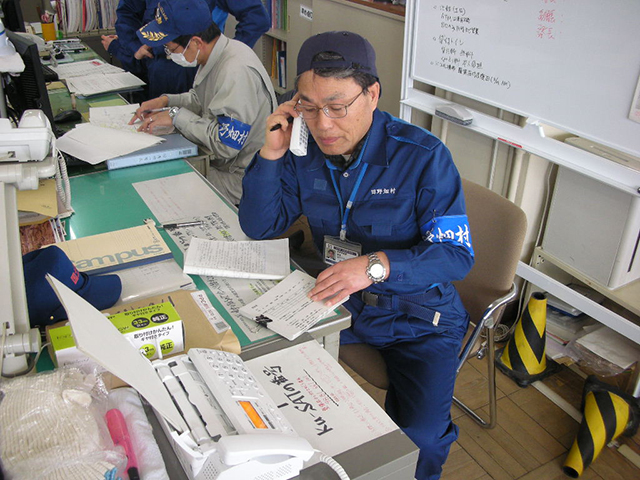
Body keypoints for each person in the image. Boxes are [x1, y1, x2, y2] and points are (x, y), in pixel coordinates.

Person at [237, 31, 475, 480]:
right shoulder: (302, 145)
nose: (323, 123)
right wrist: (270, 153)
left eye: (337, 106)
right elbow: (261, 225)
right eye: (308, 105)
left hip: (417, 319)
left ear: (372, 94)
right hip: (337, 303)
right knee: (261, 367)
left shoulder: (424, 157)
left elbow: (455, 256)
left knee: (420, 439)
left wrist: (375, 266)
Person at [130, 0, 276, 205]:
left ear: (197, 42)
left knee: (165, 192)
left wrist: (175, 116)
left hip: (242, 178)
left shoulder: (235, 71)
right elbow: (202, 100)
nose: (169, 54)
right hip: (223, 164)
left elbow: (226, 144)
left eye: (170, 48)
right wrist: (166, 101)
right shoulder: (215, 53)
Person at [114, 0, 269, 99]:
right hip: (157, 63)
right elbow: (126, 12)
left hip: (196, 64)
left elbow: (256, 19)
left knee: (199, 133)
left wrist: (227, 56)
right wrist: (134, 45)